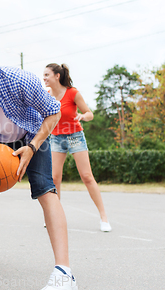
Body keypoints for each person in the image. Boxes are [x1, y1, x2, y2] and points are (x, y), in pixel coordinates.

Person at [0, 36, 78, 290]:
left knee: (46, 190)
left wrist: (32, 147)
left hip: (32, 136)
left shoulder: (19, 81)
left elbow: (54, 112)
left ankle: (64, 273)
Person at [43, 63, 111, 232]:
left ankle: (104, 217)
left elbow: (89, 113)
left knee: (87, 176)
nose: (44, 78)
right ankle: (55, 217)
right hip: (56, 138)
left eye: (46, 75)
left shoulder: (72, 93)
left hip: (75, 137)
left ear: (56, 76)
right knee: (54, 178)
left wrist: (83, 116)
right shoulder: (48, 95)